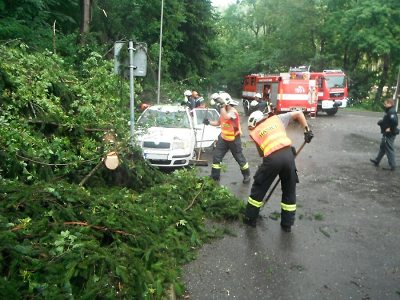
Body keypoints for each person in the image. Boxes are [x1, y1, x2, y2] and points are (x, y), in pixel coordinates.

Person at [243, 110, 314, 231]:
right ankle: (287, 225)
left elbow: (261, 153)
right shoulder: (277, 119)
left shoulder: (255, 132)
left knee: (259, 187)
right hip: (288, 156)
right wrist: (307, 131)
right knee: (289, 189)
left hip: (272, 159)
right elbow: (299, 114)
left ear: (253, 123)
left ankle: (250, 219)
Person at [204, 92, 251, 183]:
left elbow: (226, 117)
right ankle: (215, 176)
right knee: (217, 157)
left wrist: (221, 105)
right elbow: (218, 123)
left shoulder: (233, 112)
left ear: (225, 103)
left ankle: (246, 175)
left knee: (239, 158)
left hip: (234, 140)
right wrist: (208, 122)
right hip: (223, 139)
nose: (219, 106)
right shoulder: (223, 111)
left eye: (220, 103)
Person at [370, 98, 399, 171]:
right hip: (386, 133)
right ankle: (377, 160)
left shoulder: (391, 112)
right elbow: (388, 121)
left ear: (390, 104)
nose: (384, 105)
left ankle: (392, 165)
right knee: (383, 147)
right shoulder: (389, 111)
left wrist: (390, 129)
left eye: (385, 103)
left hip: (390, 134)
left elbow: (395, 122)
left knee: (389, 148)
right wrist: (382, 122)